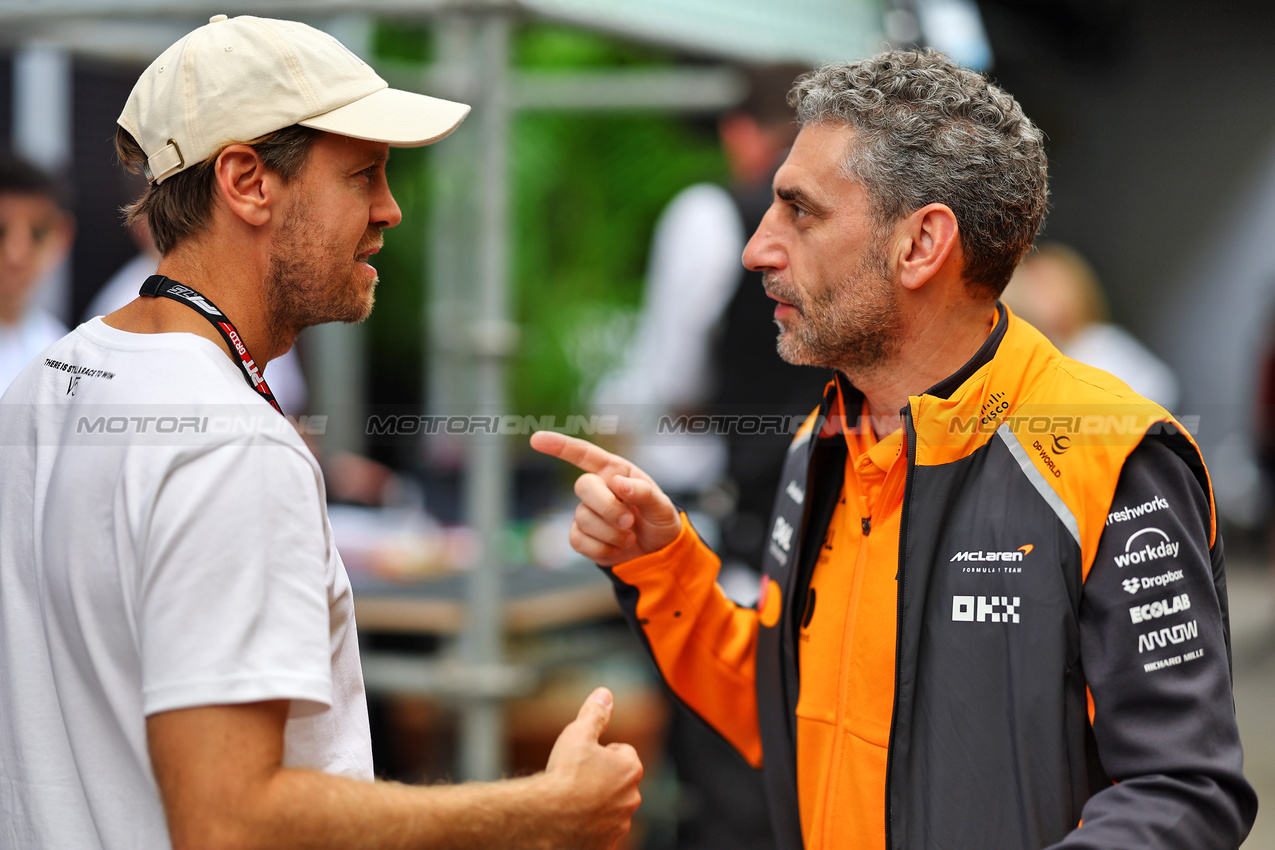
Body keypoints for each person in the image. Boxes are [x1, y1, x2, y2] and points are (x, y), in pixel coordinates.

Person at [533, 48, 1257, 850]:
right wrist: (661, 563)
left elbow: (1182, 792)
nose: (757, 249)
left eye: (798, 211)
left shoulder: (1110, 456)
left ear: (921, 245)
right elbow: (794, 715)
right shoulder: (824, 442)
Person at [0, 14, 641, 850]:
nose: (391, 210)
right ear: (247, 181)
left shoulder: (47, 381)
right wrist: (543, 811)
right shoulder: (231, 444)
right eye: (364, 175)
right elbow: (229, 819)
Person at [1003, 241, 1179, 408]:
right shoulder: (1045, 360)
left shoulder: (1098, 342)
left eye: (1045, 285)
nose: (1036, 299)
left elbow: (1160, 392)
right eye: (1032, 287)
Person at [0, 152, 74, 392]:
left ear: (62, 236)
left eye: (36, 233)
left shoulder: (63, 351)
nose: (15, 254)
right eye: (1, 231)